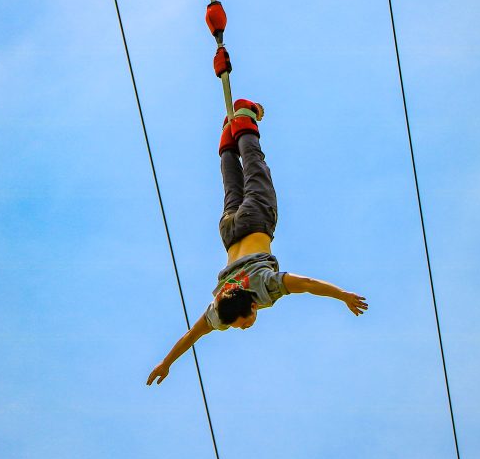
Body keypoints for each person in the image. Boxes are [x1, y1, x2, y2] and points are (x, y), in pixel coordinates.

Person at [147, 99, 368, 386]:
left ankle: (245, 114)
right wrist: (167, 362)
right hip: (228, 232)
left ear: (251, 307)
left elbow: (309, 284)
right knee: (231, 183)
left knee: (255, 168)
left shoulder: (264, 286)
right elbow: (192, 335)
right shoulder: (221, 305)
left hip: (255, 222)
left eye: (243, 322)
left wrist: (343, 296)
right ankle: (228, 133)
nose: (243, 327)